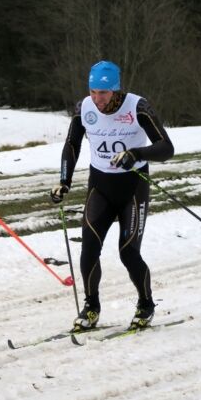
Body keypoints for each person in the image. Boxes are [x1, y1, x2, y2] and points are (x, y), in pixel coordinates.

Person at [50, 60, 174, 331]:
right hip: (100, 187)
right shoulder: (85, 107)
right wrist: (64, 181)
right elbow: (72, 144)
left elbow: (166, 147)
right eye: (93, 92)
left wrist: (136, 154)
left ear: (116, 90)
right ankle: (91, 307)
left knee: (128, 253)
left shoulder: (137, 107)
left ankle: (146, 304)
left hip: (133, 188)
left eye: (103, 93)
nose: (97, 99)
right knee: (89, 249)